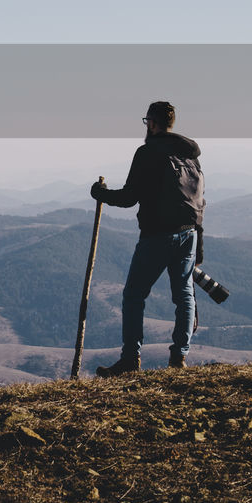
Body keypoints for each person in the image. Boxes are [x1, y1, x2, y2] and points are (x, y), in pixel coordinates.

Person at [90, 100, 205, 374]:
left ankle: (131, 359)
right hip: (189, 233)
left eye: (146, 121)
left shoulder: (147, 152)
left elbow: (130, 197)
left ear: (152, 123)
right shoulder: (190, 156)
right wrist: (199, 247)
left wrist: (100, 194)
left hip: (157, 235)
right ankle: (179, 359)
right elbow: (199, 201)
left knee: (133, 296)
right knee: (184, 296)